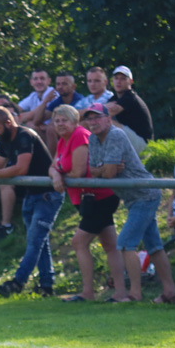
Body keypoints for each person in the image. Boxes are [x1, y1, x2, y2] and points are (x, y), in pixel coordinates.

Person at [83, 103, 175, 304]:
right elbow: (95, 171)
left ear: (108, 119)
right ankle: (170, 293)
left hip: (145, 195)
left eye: (97, 117)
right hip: (133, 198)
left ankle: (134, 294)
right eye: (89, 118)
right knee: (154, 246)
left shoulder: (116, 135)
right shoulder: (92, 139)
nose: (93, 122)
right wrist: (106, 168)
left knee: (125, 243)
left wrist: (107, 169)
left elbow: (107, 174)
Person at [0, 107, 62, 297]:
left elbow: (20, 168)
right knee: (40, 242)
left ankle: (17, 283)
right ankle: (47, 285)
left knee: (35, 241)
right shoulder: (5, 139)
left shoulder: (24, 136)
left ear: (8, 123)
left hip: (47, 195)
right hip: (32, 194)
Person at [48, 104, 125, 302]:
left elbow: (78, 172)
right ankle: (121, 292)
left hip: (99, 198)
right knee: (110, 244)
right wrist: (56, 173)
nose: (60, 124)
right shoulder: (63, 141)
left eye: (64, 120)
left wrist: (59, 173)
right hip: (87, 200)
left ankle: (88, 292)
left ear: (75, 121)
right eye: (57, 120)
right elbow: (53, 165)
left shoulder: (80, 136)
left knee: (78, 242)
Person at [105, 66, 153, 155]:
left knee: (102, 121)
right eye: (116, 78)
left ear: (130, 81)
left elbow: (103, 115)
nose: (118, 81)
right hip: (132, 140)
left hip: (142, 144)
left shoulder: (130, 97)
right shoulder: (114, 99)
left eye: (123, 79)